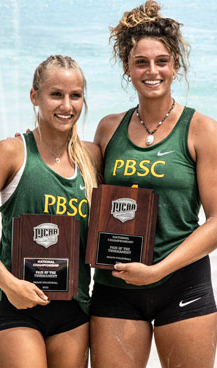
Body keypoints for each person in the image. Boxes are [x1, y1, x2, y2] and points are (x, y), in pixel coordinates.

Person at [90, 1, 217, 367]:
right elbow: (86, 196)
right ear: (127, 67)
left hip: (182, 281)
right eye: (141, 62)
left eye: (161, 61)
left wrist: (159, 271)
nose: (152, 71)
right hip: (116, 286)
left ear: (175, 65)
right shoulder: (107, 129)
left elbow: (216, 221)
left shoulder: (201, 130)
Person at [0, 55, 101, 368]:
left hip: (73, 310)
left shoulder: (92, 157)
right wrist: (11, 285)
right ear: (34, 96)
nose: (67, 105)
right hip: (14, 306)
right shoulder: (12, 151)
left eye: (75, 95)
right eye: (56, 94)